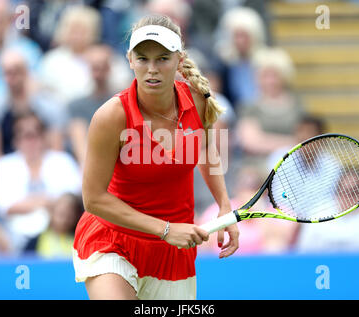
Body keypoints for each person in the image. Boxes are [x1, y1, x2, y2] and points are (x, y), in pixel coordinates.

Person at [72, 14, 239, 300]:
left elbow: (205, 150)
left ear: (179, 60)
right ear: (129, 60)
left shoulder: (198, 98)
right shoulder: (111, 116)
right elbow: (93, 199)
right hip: (113, 240)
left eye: (162, 58)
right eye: (143, 58)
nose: (152, 69)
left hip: (173, 252)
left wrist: (224, 206)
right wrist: (164, 229)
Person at [0, 111, 82, 255]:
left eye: (35, 134)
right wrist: (48, 201)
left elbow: (72, 202)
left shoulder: (63, 161)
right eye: (25, 136)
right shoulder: (3, 166)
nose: (31, 141)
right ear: (16, 140)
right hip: (15, 240)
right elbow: (4, 207)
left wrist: (29, 203)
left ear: (44, 136)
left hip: (60, 235)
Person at [0, 49, 67, 168]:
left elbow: (56, 149)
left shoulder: (49, 107)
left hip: (46, 168)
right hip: (8, 170)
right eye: (7, 73)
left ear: (26, 72)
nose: (11, 78)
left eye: (16, 72)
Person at [24, 192, 83, 259]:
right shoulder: (35, 241)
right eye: (61, 215)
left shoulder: (80, 242)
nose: (64, 221)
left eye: (69, 216)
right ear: (52, 213)